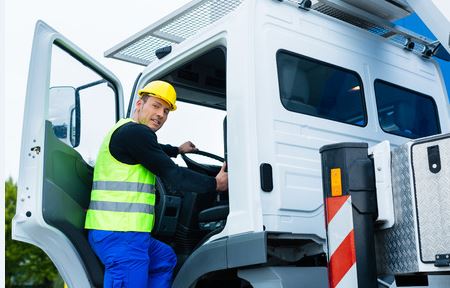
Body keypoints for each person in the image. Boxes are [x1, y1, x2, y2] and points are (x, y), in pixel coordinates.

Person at [84, 80, 228, 288]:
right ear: (139, 104)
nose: (161, 114)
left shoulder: (124, 130)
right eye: (156, 105)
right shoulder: (137, 133)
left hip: (120, 233)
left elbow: (152, 149)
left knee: (164, 258)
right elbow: (174, 175)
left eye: (166, 110)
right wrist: (215, 184)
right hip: (120, 236)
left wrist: (177, 150)